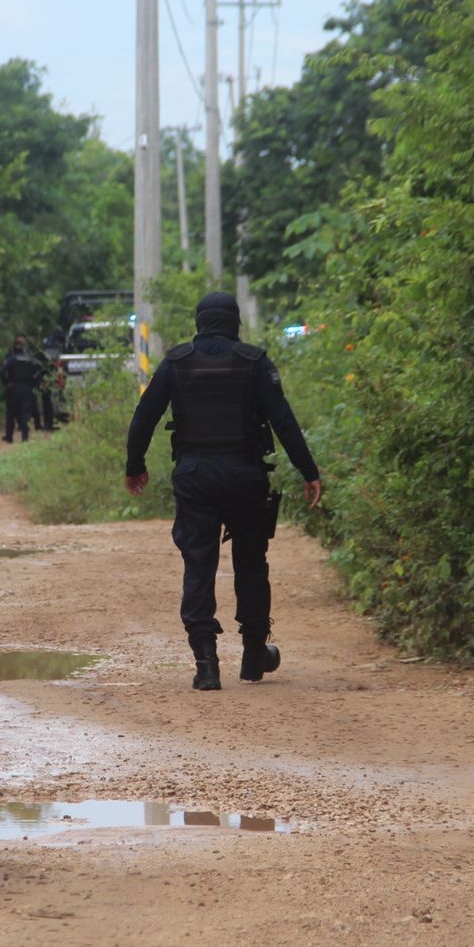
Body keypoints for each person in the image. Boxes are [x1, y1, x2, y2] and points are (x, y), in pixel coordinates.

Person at [124, 292, 323, 691]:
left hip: (195, 476)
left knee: (199, 564)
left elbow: (144, 416)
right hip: (245, 475)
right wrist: (309, 471)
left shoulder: (176, 363)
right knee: (250, 562)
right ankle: (253, 656)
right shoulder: (254, 362)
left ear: (199, 323)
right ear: (234, 323)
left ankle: (206, 663)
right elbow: (284, 421)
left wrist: (135, 467)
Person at [0, 335, 42, 443]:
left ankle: (9, 437)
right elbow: (39, 372)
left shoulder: (11, 359)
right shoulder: (31, 359)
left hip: (13, 388)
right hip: (27, 389)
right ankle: (25, 437)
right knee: (25, 413)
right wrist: (34, 385)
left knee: (11, 413)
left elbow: (2, 371)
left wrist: (6, 383)